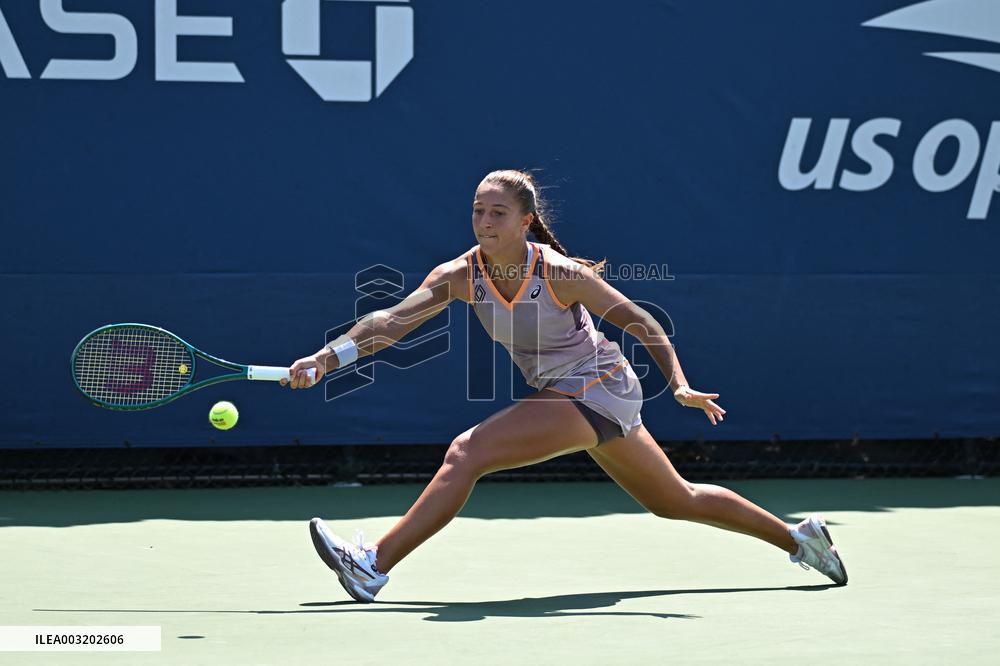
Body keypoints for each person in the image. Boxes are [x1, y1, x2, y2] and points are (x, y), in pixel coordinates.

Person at [281, 169, 848, 602]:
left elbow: (641, 322)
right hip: (574, 393)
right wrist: (328, 358)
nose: (484, 222)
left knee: (466, 451)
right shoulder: (458, 275)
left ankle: (373, 563)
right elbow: (391, 324)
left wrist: (678, 383)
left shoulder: (559, 272)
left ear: (524, 222)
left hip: (597, 385)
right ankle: (801, 540)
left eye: (497, 213)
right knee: (676, 500)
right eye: (478, 211)